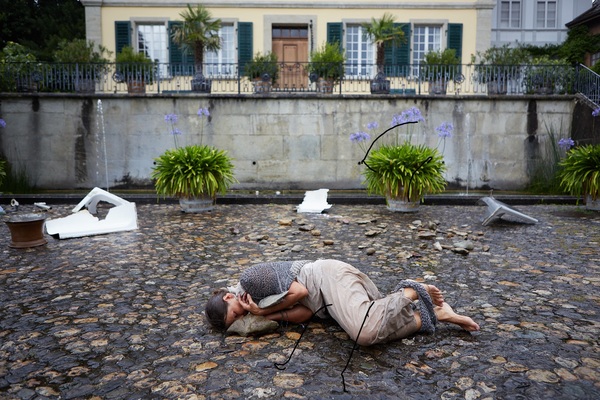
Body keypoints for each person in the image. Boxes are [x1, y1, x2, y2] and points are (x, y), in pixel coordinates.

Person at [205, 259, 479, 346]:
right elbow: (304, 312)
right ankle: (436, 315)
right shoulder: (254, 306)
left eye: (235, 314)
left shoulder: (250, 280)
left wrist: (261, 309)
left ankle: (410, 292)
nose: (242, 318)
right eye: (236, 321)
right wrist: (268, 317)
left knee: (363, 333)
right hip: (325, 301)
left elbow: (300, 291)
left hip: (328, 277)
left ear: (229, 297)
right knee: (370, 331)